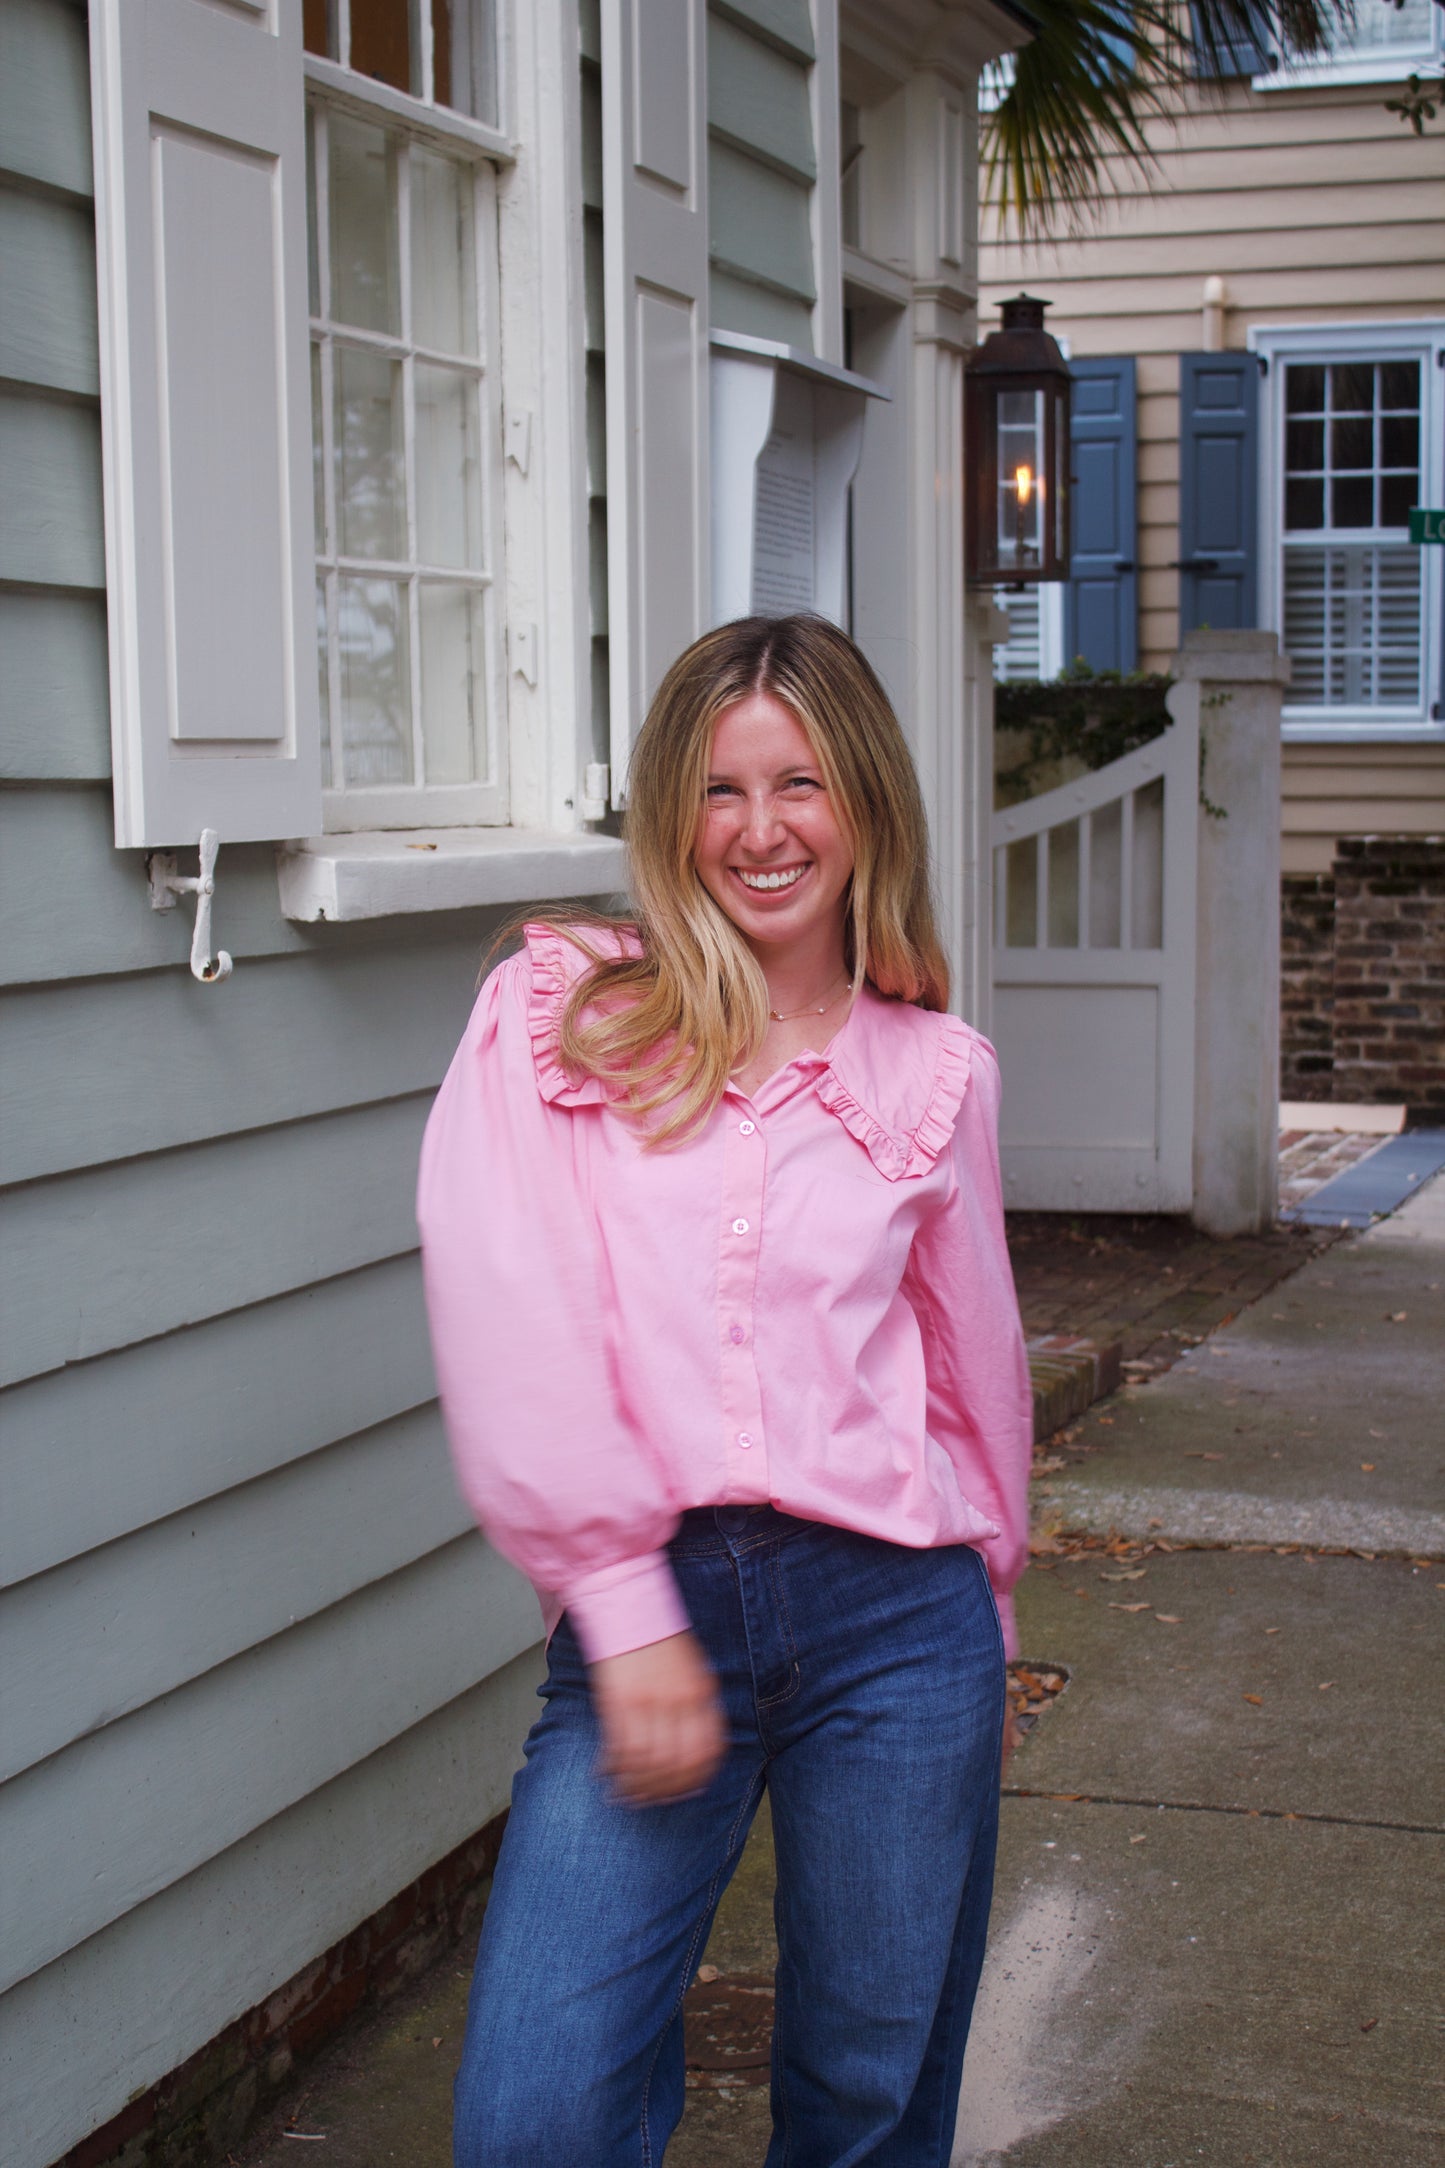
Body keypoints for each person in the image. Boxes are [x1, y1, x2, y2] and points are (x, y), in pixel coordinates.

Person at [417, 613, 1032, 2168]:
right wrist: (618, 1604)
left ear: (868, 802)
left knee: (865, 2100)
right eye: (717, 792)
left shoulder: (934, 1069)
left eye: (800, 784)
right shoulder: (566, 1019)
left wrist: (992, 1616)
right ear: (667, 814)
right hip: (655, 1602)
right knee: (533, 2117)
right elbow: (513, 1315)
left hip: (904, 1622)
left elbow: (971, 1369)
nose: (760, 834)